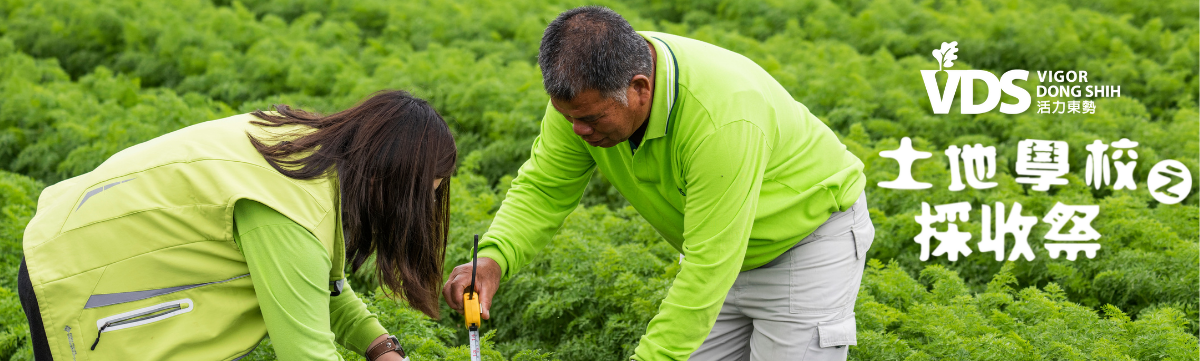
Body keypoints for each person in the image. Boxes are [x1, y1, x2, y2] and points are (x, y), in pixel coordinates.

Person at [442, 6, 873, 361]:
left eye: (590, 118)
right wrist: (495, 259)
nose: (578, 131)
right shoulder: (589, 94)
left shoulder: (720, 120)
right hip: (716, 249)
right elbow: (544, 188)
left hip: (806, 245)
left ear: (640, 88)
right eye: (567, 116)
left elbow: (708, 266)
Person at [19, 90, 454, 361]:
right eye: (425, 196)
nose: (425, 211)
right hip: (77, 285)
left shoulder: (303, 148)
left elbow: (319, 285)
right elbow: (308, 353)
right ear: (392, 184)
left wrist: (381, 348)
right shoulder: (289, 214)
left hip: (72, 237)